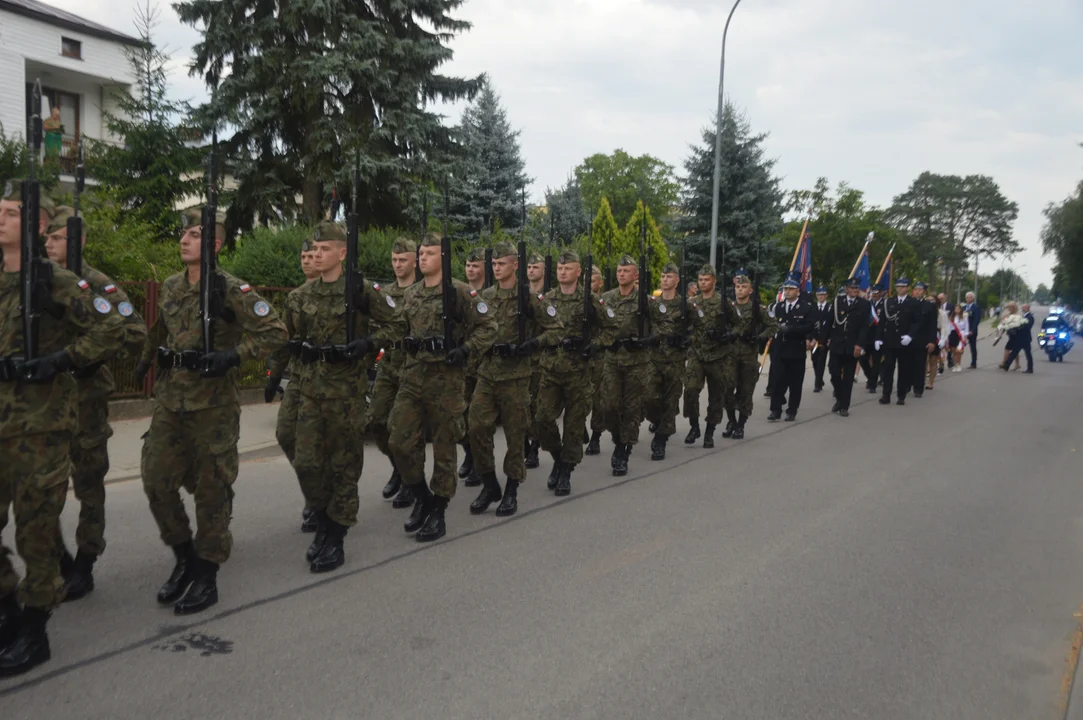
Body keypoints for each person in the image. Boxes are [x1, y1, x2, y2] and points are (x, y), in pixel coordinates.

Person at [0, 182, 127, 676]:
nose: (0, 220)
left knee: (36, 532)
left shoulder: (55, 280)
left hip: (40, 424)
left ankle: (34, 631)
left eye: (10, 213)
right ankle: (8, 610)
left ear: (34, 225)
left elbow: (112, 326)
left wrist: (62, 359)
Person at [137, 208, 288, 614]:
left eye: (194, 235)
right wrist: (145, 360)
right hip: (171, 401)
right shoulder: (170, 286)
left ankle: (206, 573)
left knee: (212, 489)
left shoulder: (230, 290)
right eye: (182, 234)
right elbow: (159, 329)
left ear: (215, 245)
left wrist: (233, 356)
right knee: (155, 481)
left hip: (214, 405)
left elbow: (275, 331)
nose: (184, 240)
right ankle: (184, 555)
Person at [270, 222, 404, 572]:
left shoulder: (360, 291)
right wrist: (274, 373)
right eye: (313, 250)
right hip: (311, 390)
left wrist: (369, 343)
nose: (316, 255)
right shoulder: (302, 295)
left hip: (345, 392)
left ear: (342, 253)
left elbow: (399, 323)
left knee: (344, 465)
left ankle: (336, 532)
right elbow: (286, 338)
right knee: (308, 462)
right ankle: (320, 511)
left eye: (324, 249)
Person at [42, 207, 148, 600]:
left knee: (88, 483)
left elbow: (134, 331)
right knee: (39, 489)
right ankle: (58, 560)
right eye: (48, 238)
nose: (50, 245)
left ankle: (85, 562)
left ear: (78, 241)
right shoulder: (39, 282)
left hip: (85, 397)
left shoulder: (97, 284)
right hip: (42, 400)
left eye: (58, 238)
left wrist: (90, 353)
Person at [387, 233, 496, 542]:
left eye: (429, 254)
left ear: (443, 258)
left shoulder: (459, 293)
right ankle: (422, 497)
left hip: (446, 381)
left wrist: (465, 349)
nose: (422, 258)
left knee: (444, 449)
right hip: (413, 377)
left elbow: (489, 327)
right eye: (420, 253)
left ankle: (439, 510)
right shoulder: (412, 294)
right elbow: (398, 327)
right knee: (398, 439)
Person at [468, 242, 562, 518]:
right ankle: (488, 483)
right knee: (476, 427)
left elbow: (556, 329)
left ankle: (510, 490)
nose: (497, 268)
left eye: (502, 264)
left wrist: (531, 345)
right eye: (494, 264)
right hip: (487, 374)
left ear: (514, 265)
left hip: (516, 377)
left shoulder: (528, 298)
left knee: (515, 436)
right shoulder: (484, 297)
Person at [534, 250, 611, 495]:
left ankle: (566, 470)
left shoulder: (589, 300)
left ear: (579, 272)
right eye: (559, 268)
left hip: (579, 370)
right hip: (551, 368)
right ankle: (558, 457)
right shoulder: (546, 299)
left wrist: (595, 345)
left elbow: (612, 327)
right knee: (542, 419)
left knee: (574, 425)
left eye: (568, 268)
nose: (562, 271)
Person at [267, 240, 319, 532]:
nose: (308, 261)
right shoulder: (296, 297)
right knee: (285, 433)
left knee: (320, 444)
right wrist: (275, 376)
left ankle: (320, 502)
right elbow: (284, 339)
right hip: (300, 376)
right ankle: (314, 492)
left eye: (313, 255)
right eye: (303, 256)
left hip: (330, 379)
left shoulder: (342, 292)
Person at [600, 255, 654, 476]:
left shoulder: (646, 301)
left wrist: (645, 341)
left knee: (632, 408)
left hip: (637, 362)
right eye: (619, 271)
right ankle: (618, 436)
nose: (621, 274)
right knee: (609, 406)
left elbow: (664, 326)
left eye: (626, 271)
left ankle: (624, 449)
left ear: (636, 275)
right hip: (612, 360)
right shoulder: (605, 298)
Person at [645, 263, 691, 460]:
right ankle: (657, 419)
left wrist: (687, 340)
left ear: (677, 280)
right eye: (663, 276)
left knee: (671, 400)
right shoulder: (652, 303)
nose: (665, 280)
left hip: (675, 359)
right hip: (654, 357)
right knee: (649, 398)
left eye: (669, 276)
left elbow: (699, 327)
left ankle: (661, 440)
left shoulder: (686, 305)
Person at [722, 269, 775, 437]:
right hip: (730, 354)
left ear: (750, 290)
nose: (739, 289)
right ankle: (731, 420)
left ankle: (741, 425)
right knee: (727, 389)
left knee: (746, 392)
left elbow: (773, 325)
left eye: (743, 287)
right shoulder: (729, 307)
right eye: (738, 286)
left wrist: (760, 337)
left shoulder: (757, 309)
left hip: (748, 355)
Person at [683, 265, 729, 447]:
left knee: (716, 396)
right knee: (691, 391)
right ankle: (694, 426)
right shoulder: (692, 302)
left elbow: (739, 322)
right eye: (700, 280)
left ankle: (710, 431)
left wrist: (729, 334)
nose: (703, 283)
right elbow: (683, 323)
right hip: (696, 354)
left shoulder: (723, 302)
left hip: (718, 356)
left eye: (706, 280)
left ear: (714, 281)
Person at [457, 247, 487, 489]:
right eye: (468, 265)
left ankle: (478, 463)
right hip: (462, 365)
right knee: (459, 416)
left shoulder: (489, 297)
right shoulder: (459, 294)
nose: (470, 269)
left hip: (485, 366)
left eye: (475, 266)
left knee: (478, 419)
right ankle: (469, 451)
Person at [767, 275, 814, 422]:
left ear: (797, 291)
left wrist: (791, 329)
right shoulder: (778, 307)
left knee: (795, 383)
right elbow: (771, 323)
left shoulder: (806, 307)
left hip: (796, 350)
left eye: (790, 289)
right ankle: (775, 409)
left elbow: (809, 326)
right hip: (780, 349)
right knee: (777, 381)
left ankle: (792, 410)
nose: (787, 292)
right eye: (785, 289)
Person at [828, 278, 870, 417]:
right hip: (837, 344)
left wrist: (860, 345)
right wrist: (825, 339)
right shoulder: (837, 302)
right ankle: (840, 398)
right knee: (833, 372)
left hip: (852, 346)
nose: (855, 290)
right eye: (852, 288)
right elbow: (830, 322)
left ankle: (844, 406)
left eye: (856, 288)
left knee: (848, 376)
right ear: (846, 289)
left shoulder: (864, 304)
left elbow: (864, 327)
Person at [876, 277, 919, 405]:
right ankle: (886, 395)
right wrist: (878, 338)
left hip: (904, 341)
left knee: (904, 369)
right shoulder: (889, 302)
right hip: (889, 341)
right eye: (898, 287)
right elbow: (882, 321)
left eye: (902, 286)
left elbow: (917, 322)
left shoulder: (913, 303)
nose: (899, 289)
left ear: (907, 288)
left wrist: (910, 335)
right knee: (888, 369)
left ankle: (901, 395)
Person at [524, 252, 547, 470]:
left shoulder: (548, 297)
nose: (531, 270)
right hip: (521, 358)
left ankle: (534, 446)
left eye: (535, 267)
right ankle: (524, 441)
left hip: (540, 358)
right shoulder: (520, 294)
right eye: (529, 267)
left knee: (537, 403)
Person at [586, 265, 608, 455]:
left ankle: (596, 436)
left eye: (592, 281)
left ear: (600, 283)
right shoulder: (579, 301)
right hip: (581, 356)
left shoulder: (605, 302)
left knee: (598, 399)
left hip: (600, 356)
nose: (588, 285)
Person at [909, 282, 940, 396]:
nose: (917, 291)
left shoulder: (929, 306)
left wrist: (932, 341)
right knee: (907, 364)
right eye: (915, 289)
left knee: (920, 364)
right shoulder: (908, 303)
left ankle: (918, 388)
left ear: (924, 292)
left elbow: (933, 325)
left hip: (922, 339)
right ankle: (907, 385)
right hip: (907, 339)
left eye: (920, 290)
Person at [860, 284, 885, 393]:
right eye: (873, 292)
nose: (874, 294)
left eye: (876, 292)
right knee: (862, 359)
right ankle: (871, 377)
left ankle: (873, 384)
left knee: (876, 361)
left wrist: (880, 337)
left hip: (878, 338)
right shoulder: (866, 304)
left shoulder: (885, 304)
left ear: (881, 293)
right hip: (866, 337)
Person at [1000, 302, 1034, 373]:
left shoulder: (1030, 317)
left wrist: (1017, 327)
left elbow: (1027, 327)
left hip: (1025, 339)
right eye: (1022, 308)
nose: (1022, 309)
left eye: (1024, 308)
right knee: (1014, 352)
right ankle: (1006, 366)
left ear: (1028, 309)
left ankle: (1030, 369)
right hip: (1019, 339)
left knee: (1028, 354)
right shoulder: (1022, 316)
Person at [810, 286, 831, 393]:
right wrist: (811, 338)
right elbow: (810, 324)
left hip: (825, 339)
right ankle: (819, 379)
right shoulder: (812, 307)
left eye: (823, 295)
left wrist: (830, 338)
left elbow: (832, 324)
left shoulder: (830, 307)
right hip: (814, 339)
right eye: (819, 295)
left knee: (821, 361)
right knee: (814, 360)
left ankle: (817, 384)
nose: (821, 297)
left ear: (826, 295)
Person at [947, 304, 969, 372]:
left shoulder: (964, 317)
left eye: (958, 309)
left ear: (961, 310)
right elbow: (949, 327)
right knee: (954, 351)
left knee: (959, 351)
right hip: (953, 334)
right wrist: (947, 336)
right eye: (955, 309)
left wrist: (966, 336)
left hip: (961, 334)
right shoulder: (952, 317)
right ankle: (955, 365)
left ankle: (959, 364)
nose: (957, 310)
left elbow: (966, 327)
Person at [963, 292, 982, 368]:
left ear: (973, 298)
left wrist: (972, 330)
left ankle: (973, 363)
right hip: (963, 330)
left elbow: (976, 320)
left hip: (971, 330)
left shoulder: (976, 307)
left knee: (972, 347)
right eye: (967, 297)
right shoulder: (964, 308)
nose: (968, 299)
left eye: (970, 297)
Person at [937, 293, 954, 371]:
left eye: (942, 298)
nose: (940, 300)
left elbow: (953, 316)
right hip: (939, 329)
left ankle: (950, 359)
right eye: (939, 298)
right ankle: (941, 363)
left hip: (948, 328)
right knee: (940, 347)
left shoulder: (950, 306)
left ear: (945, 298)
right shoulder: (936, 306)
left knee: (948, 346)